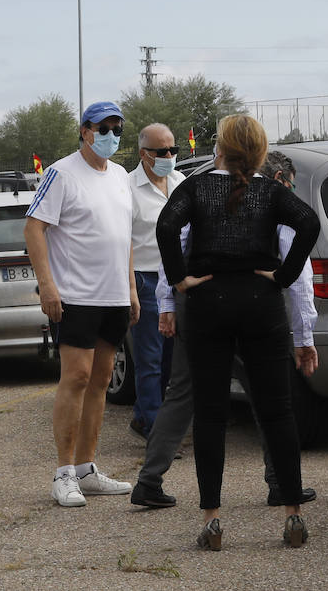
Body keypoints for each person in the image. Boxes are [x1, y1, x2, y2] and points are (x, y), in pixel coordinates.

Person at [156, 114, 320, 551]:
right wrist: (283, 277)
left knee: (210, 413)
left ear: (221, 148)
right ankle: (292, 514)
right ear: (261, 151)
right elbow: (309, 224)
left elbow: (166, 227)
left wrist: (179, 280)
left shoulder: (196, 186)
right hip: (260, 301)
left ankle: (212, 518)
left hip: (209, 302)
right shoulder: (271, 191)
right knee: (277, 410)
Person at [24, 100, 138, 508]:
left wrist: (131, 289)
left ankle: (88, 469)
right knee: (76, 377)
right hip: (76, 295)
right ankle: (64, 472)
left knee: (102, 379)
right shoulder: (61, 173)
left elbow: (122, 237)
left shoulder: (121, 176)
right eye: (102, 128)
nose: (110, 136)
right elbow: (34, 228)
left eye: (117, 129)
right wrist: (47, 286)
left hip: (112, 295)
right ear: (85, 131)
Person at [127, 123, 184, 439]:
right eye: (161, 151)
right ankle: (156, 430)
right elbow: (124, 240)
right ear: (143, 154)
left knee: (169, 358)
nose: (168, 156)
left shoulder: (180, 182)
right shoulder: (128, 187)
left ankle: (143, 416)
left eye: (173, 150)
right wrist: (132, 288)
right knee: (149, 358)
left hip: (176, 279)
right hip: (146, 279)